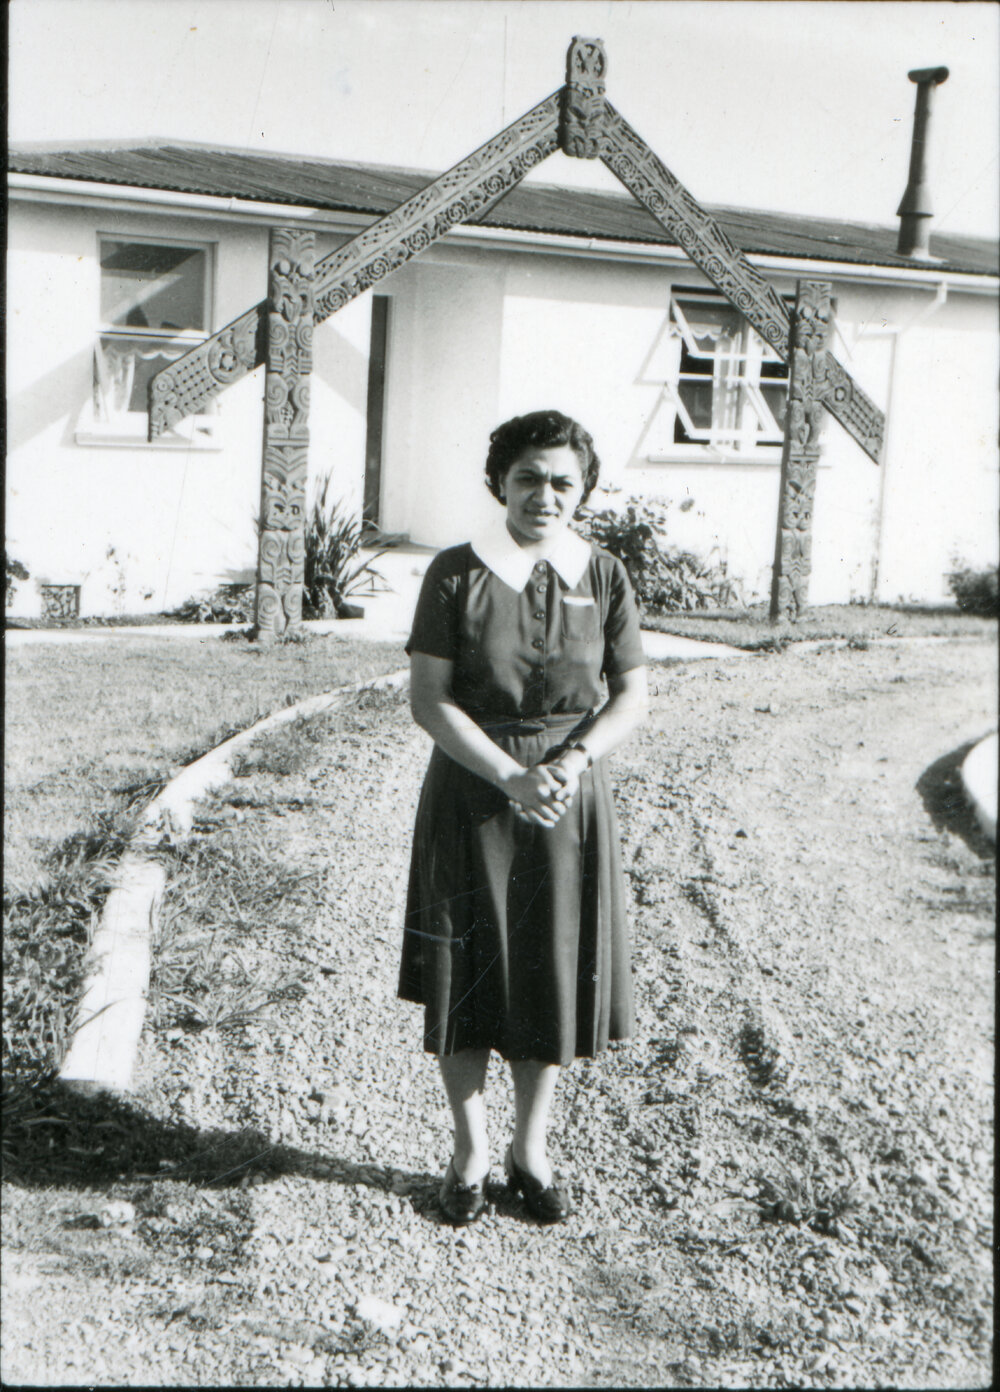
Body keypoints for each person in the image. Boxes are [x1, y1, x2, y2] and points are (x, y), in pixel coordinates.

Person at [399, 409, 648, 1225]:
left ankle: (530, 1151)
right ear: (499, 483)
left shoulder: (603, 574)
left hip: (566, 801)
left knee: (550, 971)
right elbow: (429, 700)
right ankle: (469, 1153)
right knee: (466, 973)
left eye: (563, 481)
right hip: (474, 792)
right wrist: (510, 775)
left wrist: (568, 764)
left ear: (584, 490)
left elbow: (630, 696)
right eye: (529, 478)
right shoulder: (455, 573)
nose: (546, 495)